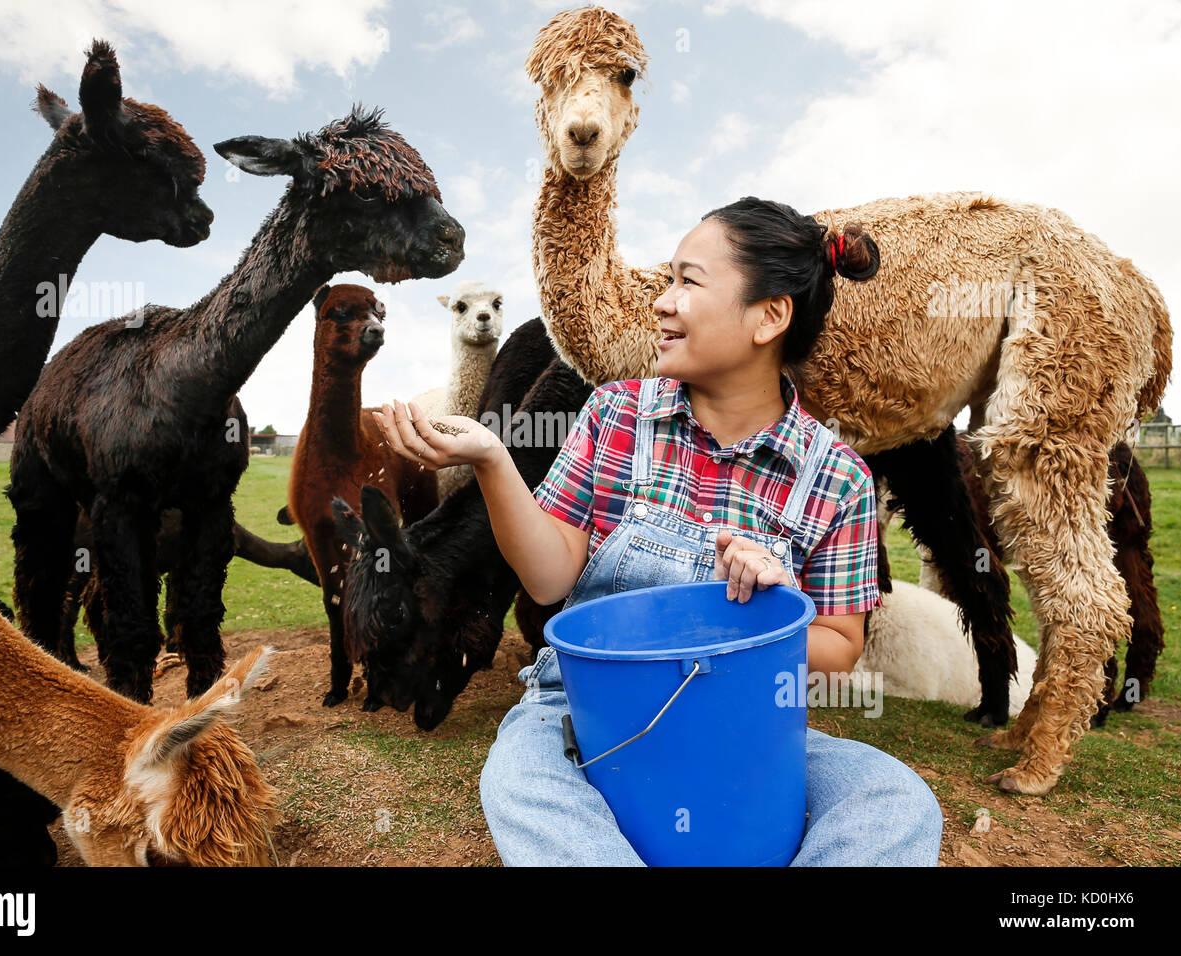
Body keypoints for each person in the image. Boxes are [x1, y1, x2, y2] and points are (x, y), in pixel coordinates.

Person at [372, 196, 944, 866]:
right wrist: (494, 462)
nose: (663, 302)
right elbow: (548, 576)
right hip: (583, 715)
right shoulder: (615, 413)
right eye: (667, 281)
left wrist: (780, 605)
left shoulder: (837, 477)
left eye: (688, 281)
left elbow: (839, 649)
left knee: (893, 802)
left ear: (769, 315)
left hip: (743, 720)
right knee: (521, 782)